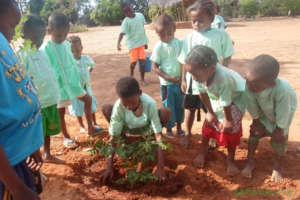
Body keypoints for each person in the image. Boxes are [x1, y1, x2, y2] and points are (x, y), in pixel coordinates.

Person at [0, 1, 44, 199]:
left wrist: (29, 144)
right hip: (7, 173)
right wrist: (16, 187)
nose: (13, 33)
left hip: (18, 157)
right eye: (12, 26)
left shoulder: (3, 43)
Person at [178, 0, 235, 148]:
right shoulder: (190, 38)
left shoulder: (221, 35)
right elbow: (185, 60)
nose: (196, 24)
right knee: (189, 108)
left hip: (213, 82)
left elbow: (227, 55)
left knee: (213, 110)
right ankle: (188, 133)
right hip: (194, 82)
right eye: (193, 21)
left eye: (200, 20)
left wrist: (222, 69)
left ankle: (213, 137)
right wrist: (184, 79)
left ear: (211, 18)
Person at [185, 45, 247, 176]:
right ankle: (202, 152)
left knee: (231, 129)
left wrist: (228, 120)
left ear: (211, 69)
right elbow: (202, 93)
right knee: (208, 123)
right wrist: (210, 112)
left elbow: (226, 101)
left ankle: (230, 160)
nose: (193, 78)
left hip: (235, 99)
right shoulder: (197, 73)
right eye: (191, 74)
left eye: (195, 75)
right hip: (217, 96)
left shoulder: (223, 77)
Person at [43, 13, 99, 148]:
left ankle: (90, 127)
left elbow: (71, 63)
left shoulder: (66, 44)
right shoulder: (46, 48)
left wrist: (77, 79)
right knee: (61, 112)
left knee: (88, 100)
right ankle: (66, 137)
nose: (62, 38)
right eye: (58, 36)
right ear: (49, 31)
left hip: (73, 84)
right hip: (60, 86)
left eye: (64, 35)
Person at [100, 77, 171, 183]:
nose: (129, 107)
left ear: (140, 93)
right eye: (125, 104)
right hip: (127, 127)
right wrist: (109, 167)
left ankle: (149, 140)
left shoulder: (149, 103)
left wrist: (160, 167)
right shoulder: (118, 107)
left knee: (165, 112)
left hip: (146, 128)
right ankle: (123, 139)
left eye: (132, 103)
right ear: (120, 99)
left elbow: (159, 135)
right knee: (106, 108)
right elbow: (113, 137)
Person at [242, 54, 297, 182]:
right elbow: (251, 103)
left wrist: (280, 129)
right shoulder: (250, 85)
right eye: (247, 81)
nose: (249, 87)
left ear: (270, 84)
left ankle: (277, 166)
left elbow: (284, 111)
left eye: (254, 85)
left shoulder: (283, 90)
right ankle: (250, 162)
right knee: (253, 133)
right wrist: (256, 121)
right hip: (262, 115)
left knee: (279, 139)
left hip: (282, 117)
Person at [20, 15, 64, 164]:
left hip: (49, 99)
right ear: (24, 35)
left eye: (42, 35)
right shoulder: (22, 56)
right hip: (35, 104)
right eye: (36, 36)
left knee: (47, 132)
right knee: (35, 135)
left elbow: (49, 74)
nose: (40, 39)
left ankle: (47, 154)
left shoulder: (42, 53)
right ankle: (36, 163)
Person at [150, 14, 185, 138]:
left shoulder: (180, 43)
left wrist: (183, 78)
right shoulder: (158, 47)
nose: (166, 37)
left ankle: (180, 128)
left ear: (174, 28)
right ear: (157, 33)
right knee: (168, 108)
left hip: (181, 83)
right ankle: (169, 129)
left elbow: (186, 60)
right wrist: (168, 77)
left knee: (180, 106)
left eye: (169, 33)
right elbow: (154, 67)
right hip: (167, 85)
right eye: (162, 35)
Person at [67, 36, 102, 134]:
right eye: (72, 51)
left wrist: (88, 72)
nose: (75, 53)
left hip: (87, 88)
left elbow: (92, 65)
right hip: (76, 90)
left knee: (91, 106)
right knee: (78, 108)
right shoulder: (69, 62)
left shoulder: (85, 58)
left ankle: (94, 123)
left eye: (77, 50)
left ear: (81, 47)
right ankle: (82, 126)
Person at [117, 2, 149, 85]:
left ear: (131, 7)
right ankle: (131, 73)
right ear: (124, 13)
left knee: (142, 63)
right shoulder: (126, 22)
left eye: (129, 10)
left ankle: (142, 79)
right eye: (125, 12)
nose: (128, 13)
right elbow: (121, 34)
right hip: (132, 45)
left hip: (141, 43)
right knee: (133, 63)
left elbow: (142, 29)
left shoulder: (140, 16)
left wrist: (145, 42)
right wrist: (118, 44)